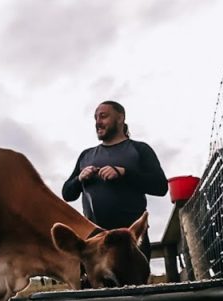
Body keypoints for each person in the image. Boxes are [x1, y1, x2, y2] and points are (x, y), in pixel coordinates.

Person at [62, 100, 169, 259]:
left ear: (120, 118)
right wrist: (79, 178)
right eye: (96, 118)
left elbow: (161, 187)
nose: (98, 122)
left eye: (103, 116)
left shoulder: (140, 149)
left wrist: (124, 173)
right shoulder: (86, 155)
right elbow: (67, 194)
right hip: (94, 241)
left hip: (132, 239)